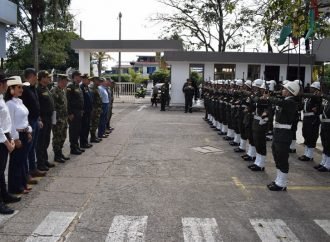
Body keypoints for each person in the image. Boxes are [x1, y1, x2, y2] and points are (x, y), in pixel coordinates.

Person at [265, 80, 299, 191]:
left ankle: (282, 183)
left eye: (284, 89)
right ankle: (278, 180)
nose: (282, 90)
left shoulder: (291, 102)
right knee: (277, 155)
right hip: (278, 133)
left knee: (282, 158)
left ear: (290, 92)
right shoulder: (285, 101)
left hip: (284, 134)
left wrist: (269, 98)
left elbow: (279, 102)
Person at [5, 76, 32, 195]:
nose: (21, 89)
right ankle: (15, 187)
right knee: (16, 162)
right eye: (19, 87)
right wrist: (15, 138)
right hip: (17, 135)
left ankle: (22, 184)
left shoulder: (19, 101)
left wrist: (28, 130)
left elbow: (25, 119)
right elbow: (10, 123)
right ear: (11, 88)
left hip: (24, 133)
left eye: (22, 87)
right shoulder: (10, 104)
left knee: (22, 161)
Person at [21, 68, 46, 180]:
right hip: (29, 121)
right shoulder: (24, 89)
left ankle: (33, 169)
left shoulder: (32, 88)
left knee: (33, 147)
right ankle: (26, 174)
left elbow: (36, 104)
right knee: (27, 148)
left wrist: (39, 119)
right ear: (31, 76)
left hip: (35, 120)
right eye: (36, 76)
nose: (37, 78)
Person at [0, 75, 20, 215]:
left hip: (5, 136)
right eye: (5, 82)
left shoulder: (1, 98)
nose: (7, 85)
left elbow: (6, 122)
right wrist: (7, 142)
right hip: (1, 139)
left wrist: (11, 137)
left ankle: (4, 195)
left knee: (1, 171)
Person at [36, 71, 55, 171]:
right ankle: (40, 162)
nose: (49, 79)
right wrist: (39, 118)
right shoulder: (38, 90)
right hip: (43, 118)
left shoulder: (46, 88)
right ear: (42, 78)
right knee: (41, 142)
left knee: (46, 140)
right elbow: (37, 106)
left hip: (48, 118)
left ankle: (44, 159)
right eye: (47, 77)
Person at [298, 81, 322, 161]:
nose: (311, 89)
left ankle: (310, 155)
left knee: (311, 136)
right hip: (306, 118)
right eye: (311, 88)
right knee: (306, 134)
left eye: (313, 88)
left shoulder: (317, 97)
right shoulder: (309, 96)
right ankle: (306, 153)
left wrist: (317, 109)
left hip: (313, 118)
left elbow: (320, 106)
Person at [51, 74, 70, 163]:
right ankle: (57, 155)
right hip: (58, 119)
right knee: (57, 137)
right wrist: (55, 120)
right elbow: (53, 107)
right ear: (61, 81)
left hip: (64, 118)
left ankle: (60, 153)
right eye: (66, 80)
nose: (67, 82)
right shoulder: (54, 91)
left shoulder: (62, 90)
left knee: (63, 136)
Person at [67, 71, 84, 155]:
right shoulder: (70, 87)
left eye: (80, 77)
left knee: (77, 130)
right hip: (73, 112)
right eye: (78, 76)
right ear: (74, 77)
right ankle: (73, 148)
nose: (80, 78)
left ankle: (76, 146)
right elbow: (68, 101)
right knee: (73, 131)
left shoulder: (78, 86)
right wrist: (70, 113)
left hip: (79, 112)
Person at [79, 74, 93, 149]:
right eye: (88, 79)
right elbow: (82, 100)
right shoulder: (81, 87)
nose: (89, 81)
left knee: (87, 127)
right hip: (84, 111)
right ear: (84, 80)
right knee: (83, 127)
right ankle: (82, 143)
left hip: (88, 110)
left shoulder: (86, 87)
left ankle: (85, 142)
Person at [89, 77, 103, 143]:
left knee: (96, 123)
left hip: (97, 109)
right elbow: (91, 100)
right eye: (98, 81)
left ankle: (94, 136)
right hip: (94, 109)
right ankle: (92, 137)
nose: (100, 82)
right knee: (93, 123)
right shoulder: (92, 88)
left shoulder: (96, 87)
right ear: (95, 81)